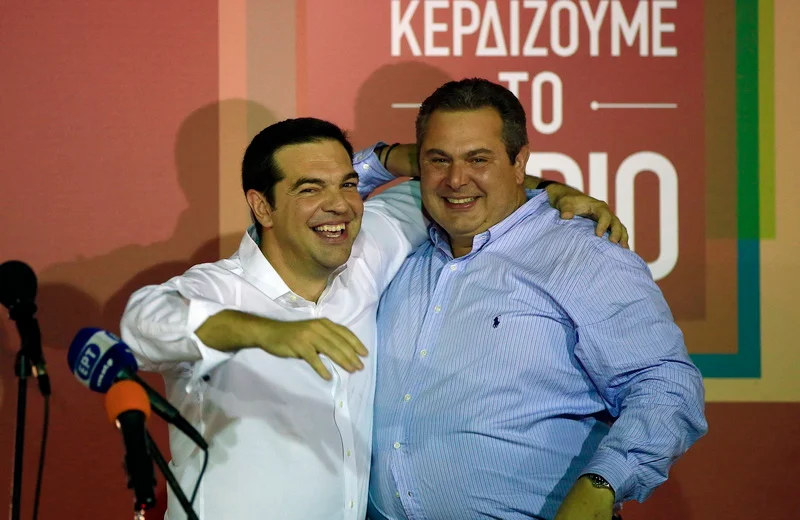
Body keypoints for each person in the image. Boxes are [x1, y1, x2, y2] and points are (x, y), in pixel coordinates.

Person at [120, 117, 624, 520]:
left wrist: (549, 191)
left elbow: (455, 184)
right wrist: (264, 332)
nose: (339, 205)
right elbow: (142, 325)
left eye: (347, 184)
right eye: (309, 189)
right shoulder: (215, 288)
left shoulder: (369, 247)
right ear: (262, 207)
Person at [366, 79, 708, 520]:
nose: (456, 180)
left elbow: (663, 384)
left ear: (519, 162)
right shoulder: (397, 250)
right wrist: (386, 158)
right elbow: (308, 195)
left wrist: (601, 485)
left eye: (478, 159)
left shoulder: (582, 253)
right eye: (438, 159)